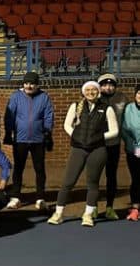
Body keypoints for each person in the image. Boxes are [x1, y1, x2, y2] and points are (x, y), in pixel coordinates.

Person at [48, 81, 118, 227]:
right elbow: (67, 125)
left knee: (92, 183)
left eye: (94, 90)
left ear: (98, 92)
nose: (90, 92)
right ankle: (58, 213)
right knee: (68, 182)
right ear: (83, 92)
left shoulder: (107, 108)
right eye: (87, 90)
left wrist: (98, 138)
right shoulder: (76, 106)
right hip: (78, 149)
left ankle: (88, 215)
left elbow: (114, 131)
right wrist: (76, 136)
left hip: (97, 150)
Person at [3, 71, 54, 210]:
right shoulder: (16, 96)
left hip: (38, 139)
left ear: (37, 85)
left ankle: (40, 198)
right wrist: (8, 132)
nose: (28, 86)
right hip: (20, 138)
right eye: (26, 83)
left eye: (32, 84)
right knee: (18, 169)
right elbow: (10, 115)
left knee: (40, 169)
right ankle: (16, 197)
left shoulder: (44, 97)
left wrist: (48, 132)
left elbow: (48, 115)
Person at [97, 73, 126, 220]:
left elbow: (126, 120)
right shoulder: (95, 98)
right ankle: (93, 207)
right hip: (97, 145)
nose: (108, 88)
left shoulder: (122, 99)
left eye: (111, 85)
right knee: (94, 176)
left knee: (111, 176)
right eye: (104, 85)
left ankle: (110, 207)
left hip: (114, 144)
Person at [121, 84, 140, 221]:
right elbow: (125, 130)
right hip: (133, 150)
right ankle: (135, 208)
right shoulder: (129, 108)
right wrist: (136, 148)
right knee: (136, 179)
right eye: (139, 93)